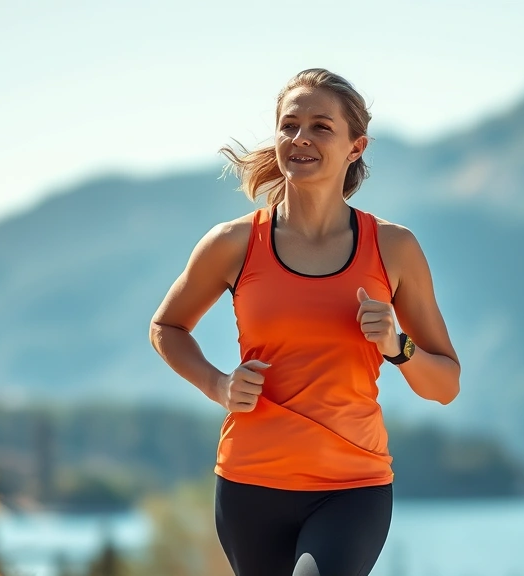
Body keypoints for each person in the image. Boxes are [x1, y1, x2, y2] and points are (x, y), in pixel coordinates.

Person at [149, 68, 461, 576]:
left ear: (355, 147)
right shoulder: (233, 243)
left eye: (321, 126)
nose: (301, 138)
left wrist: (396, 345)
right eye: (289, 125)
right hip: (251, 482)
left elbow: (445, 384)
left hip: (352, 486)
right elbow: (167, 327)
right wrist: (218, 384)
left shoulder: (393, 247)